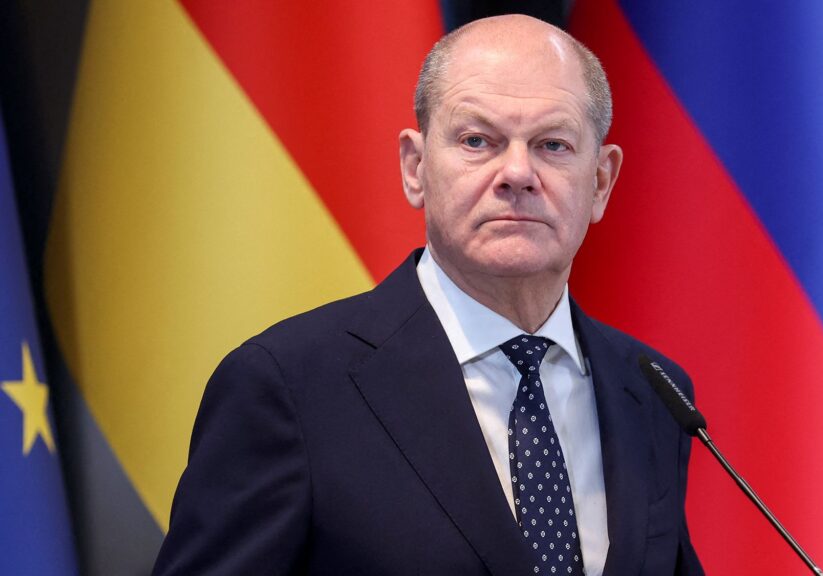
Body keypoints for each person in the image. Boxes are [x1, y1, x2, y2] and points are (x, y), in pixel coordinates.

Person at [153, 14, 703, 576]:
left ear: (601, 181)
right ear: (415, 168)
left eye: (553, 145)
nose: (518, 172)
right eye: (477, 141)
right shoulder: (287, 387)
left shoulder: (655, 393)